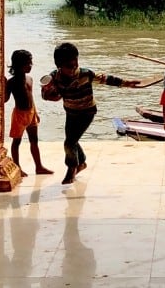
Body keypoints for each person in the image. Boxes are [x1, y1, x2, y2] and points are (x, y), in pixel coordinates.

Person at [42, 42, 139, 184]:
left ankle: (72, 169)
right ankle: (81, 163)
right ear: (59, 66)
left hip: (87, 111)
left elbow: (105, 79)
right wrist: (51, 95)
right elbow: (46, 95)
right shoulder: (54, 77)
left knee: (69, 142)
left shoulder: (85, 73)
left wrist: (126, 83)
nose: (74, 68)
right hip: (70, 111)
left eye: (76, 63)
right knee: (71, 140)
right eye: (69, 66)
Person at [5, 49, 53, 177]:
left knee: (34, 140)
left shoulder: (29, 79)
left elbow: (31, 97)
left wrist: (36, 113)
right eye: (27, 63)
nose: (30, 65)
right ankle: (17, 167)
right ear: (18, 65)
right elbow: (4, 99)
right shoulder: (12, 82)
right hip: (19, 115)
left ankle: (39, 166)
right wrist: (2, 84)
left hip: (31, 112)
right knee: (17, 142)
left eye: (31, 62)